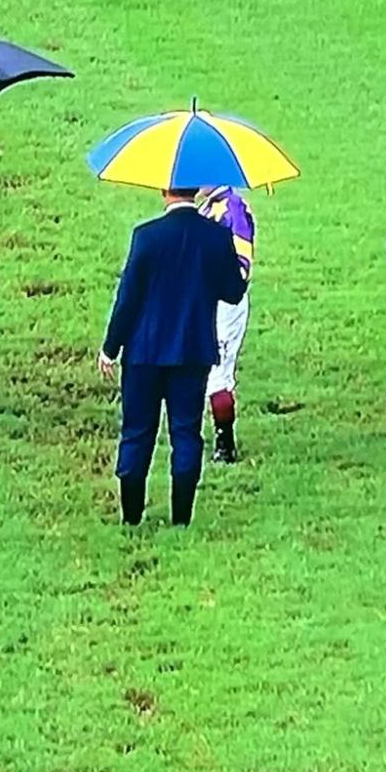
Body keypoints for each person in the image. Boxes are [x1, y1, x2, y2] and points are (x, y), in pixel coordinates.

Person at [99, 187, 247, 526]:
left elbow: (128, 299)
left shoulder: (146, 236)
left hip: (143, 354)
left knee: (136, 433)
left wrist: (110, 348)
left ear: (164, 190)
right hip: (193, 352)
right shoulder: (216, 237)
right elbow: (234, 292)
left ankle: (131, 517)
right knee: (186, 434)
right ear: (195, 191)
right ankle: (182, 518)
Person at [197, 185, 254, 463]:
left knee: (219, 372)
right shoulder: (207, 206)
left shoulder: (234, 208)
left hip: (225, 306)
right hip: (202, 302)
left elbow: (242, 267)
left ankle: (225, 444)